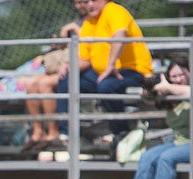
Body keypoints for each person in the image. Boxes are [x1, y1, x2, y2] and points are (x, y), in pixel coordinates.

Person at [56, 0, 152, 146]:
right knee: (67, 80)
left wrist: (111, 65)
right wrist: (69, 66)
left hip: (132, 71)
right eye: (86, 1)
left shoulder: (114, 10)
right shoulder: (89, 22)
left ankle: (120, 133)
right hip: (102, 74)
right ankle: (66, 134)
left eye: (94, 0)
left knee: (107, 86)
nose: (89, 5)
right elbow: (84, 59)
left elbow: (119, 35)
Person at [22, 0, 88, 151]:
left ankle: (53, 131)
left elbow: (90, 45)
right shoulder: (79, 20)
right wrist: (59, 43)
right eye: (77, 3)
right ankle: (37, 131)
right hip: (66, 64)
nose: (80, 6)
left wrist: (76, 30)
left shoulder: (92, 21)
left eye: (83, 2)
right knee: (32, 84)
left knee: (44, 84)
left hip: (82, 67)